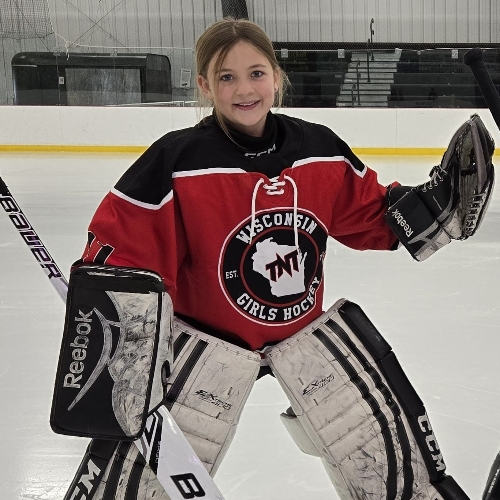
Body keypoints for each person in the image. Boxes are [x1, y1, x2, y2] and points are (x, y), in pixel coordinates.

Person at [53, 17, 495, 500]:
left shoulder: (319, 149)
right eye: (227, 77)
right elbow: (124, 249)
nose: (245, 89)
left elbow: (372, 213)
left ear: (276, 76)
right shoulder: (177, 161)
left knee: (392, 447)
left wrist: (435, 208)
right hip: (204, 344)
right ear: (205, 85)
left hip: (301, 337)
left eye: (256, 73)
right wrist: (118, 318)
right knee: (130, 482)